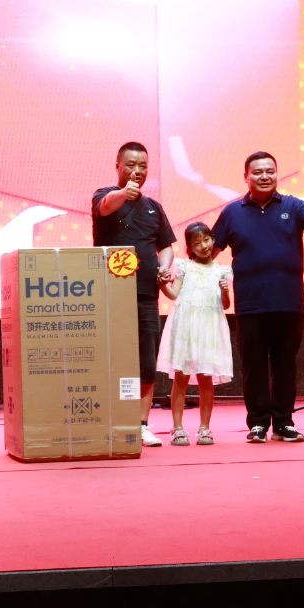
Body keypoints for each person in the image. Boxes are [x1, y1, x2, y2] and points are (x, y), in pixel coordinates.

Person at [212, 151, 304, 444]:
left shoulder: (293, 205)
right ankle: (257, 424)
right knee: (253, 366)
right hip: (250, 303)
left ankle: (283, 423)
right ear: (246, 177)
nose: (264, 176)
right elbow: (209, 250)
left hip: (288, 302)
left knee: (284, 365)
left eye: (270, 171)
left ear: (277, 174)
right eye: (257, 172)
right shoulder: (232, 212)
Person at [92, 141, 176, 447]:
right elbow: (105, 206)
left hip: (146, 296)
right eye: (130, 165)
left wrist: (164, 267)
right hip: (110, 296)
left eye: (142, 166)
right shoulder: (104, 195)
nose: (137, 171)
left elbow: (165, 246)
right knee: (111, 358)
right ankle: (110, 420)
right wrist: (123, 193)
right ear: (118, 166)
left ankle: (141, 424)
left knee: (146, 361)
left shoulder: (154, 207)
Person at [157, 222, 233, 446]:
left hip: (209, 329)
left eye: (206, 240)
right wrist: (162, 286)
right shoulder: (183, 267)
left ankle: (205, 428)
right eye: (197, 243)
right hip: (185, 328)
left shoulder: (222, 271)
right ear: (189, 247)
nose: (204, 246)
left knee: (205, 378)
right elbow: (173, 294)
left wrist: (225, 291)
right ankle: (177, 428)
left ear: (213, 239)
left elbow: (225, 305)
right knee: (180, 377)